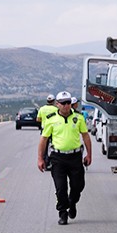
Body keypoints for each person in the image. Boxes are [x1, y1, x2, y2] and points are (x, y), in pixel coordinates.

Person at [37, 91, 92, 225]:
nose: (67, 106)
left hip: (75, 157)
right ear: (57, 104)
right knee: (60, 188)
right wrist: (40, 158)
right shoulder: (51, 119)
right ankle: (63, 213)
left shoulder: (78, 118)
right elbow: (44, 139)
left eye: (69, 103)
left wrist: (89, 154)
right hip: (58, 158)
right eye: (63, 103)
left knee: (78, 186)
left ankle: (72, 202)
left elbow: (85, 136)